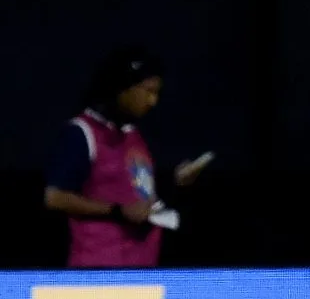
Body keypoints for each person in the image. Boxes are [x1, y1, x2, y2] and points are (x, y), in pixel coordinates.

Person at [43, 46, 212, 268]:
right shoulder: (81, 132)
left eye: (157, 93)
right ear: (122, 88)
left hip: (142, 269)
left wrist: (175, 184)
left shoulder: (133, 135)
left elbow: (138, 199)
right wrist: (117, 211)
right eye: (148, 91)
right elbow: (54, 198)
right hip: (98, 272)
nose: (153, 101)